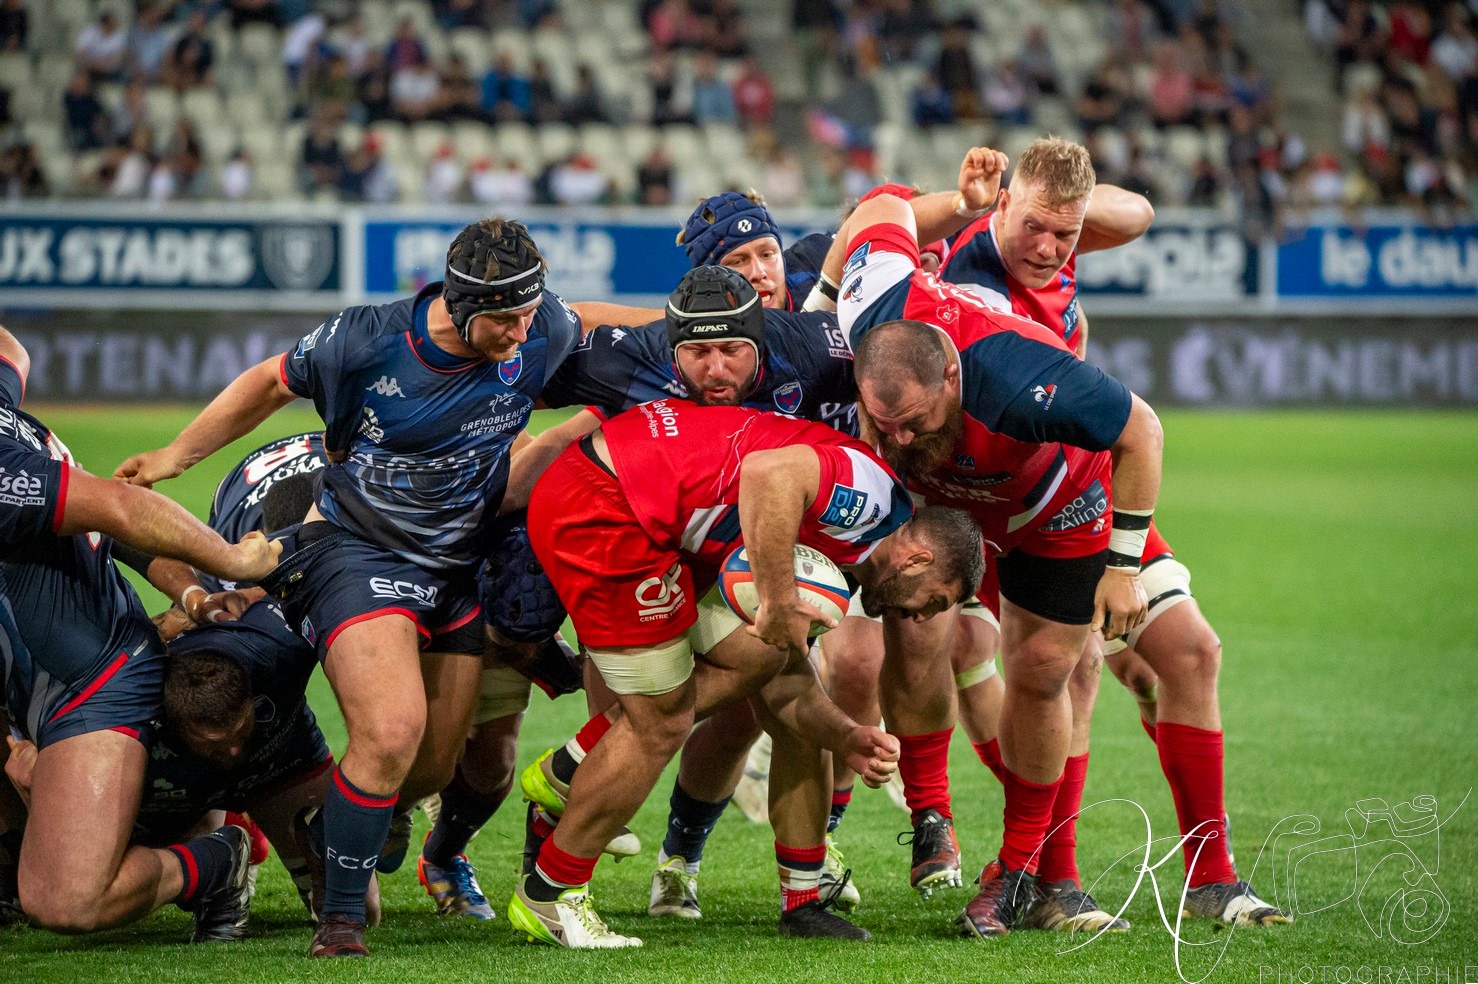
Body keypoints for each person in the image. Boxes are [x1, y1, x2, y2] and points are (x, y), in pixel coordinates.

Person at [113, 218, 582, 958]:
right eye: (506, 318)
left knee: (431, 764)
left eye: (531, 312)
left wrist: (702, 325)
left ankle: (333, 825)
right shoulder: (366, 339)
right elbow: (270, 380)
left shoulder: (540, 325)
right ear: (460, 305)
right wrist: (178, 454)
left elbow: (610, 327)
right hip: (356, 551)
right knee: (390, 733)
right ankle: (340, 924)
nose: (523, 331)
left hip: (455, 566)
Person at [505, 269, 985, 948]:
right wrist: (782, 600)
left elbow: (788, 680)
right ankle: (551, 890)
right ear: (918, 559)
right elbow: (769, 473)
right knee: (660, 722)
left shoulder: (849, 543)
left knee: (765, 660)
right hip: (609, 509)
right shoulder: (875, 500)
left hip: (642, 503)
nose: (917, 618)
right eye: (932, 602)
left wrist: (847, 735)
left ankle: (802, 895)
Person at [938, 138, 1289, 928]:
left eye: (1064, 234)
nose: (1048, 248)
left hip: (1086, 485)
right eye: (1033, 227)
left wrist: (1059, 210)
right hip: (1015, 506)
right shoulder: (973, 282)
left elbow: (1139, 213)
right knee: (1068, 670)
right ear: (1000, 206)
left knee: (1190, 653)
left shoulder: (1046, 244)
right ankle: (1050, 879)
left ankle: (1211, 878)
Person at [826, 185, 1166, 940]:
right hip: (947, 494)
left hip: (1052, 503)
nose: (900, 437)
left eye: (914, 421)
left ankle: (1019, 874)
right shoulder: (871, 299)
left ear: (951, 379)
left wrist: (1123, 566)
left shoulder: (1022, 377)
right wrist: (826, 295)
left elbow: (1143, 432)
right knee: (910, 609)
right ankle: (931, 813)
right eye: (885, 424)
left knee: (1045, 671)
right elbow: (880, 206)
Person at [0, 325, 281, 938]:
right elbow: (10, 351)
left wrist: (232, 563)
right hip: (27, 671)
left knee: (66, 901)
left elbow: (121, 507)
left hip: (89, 682)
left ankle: (218, 858)